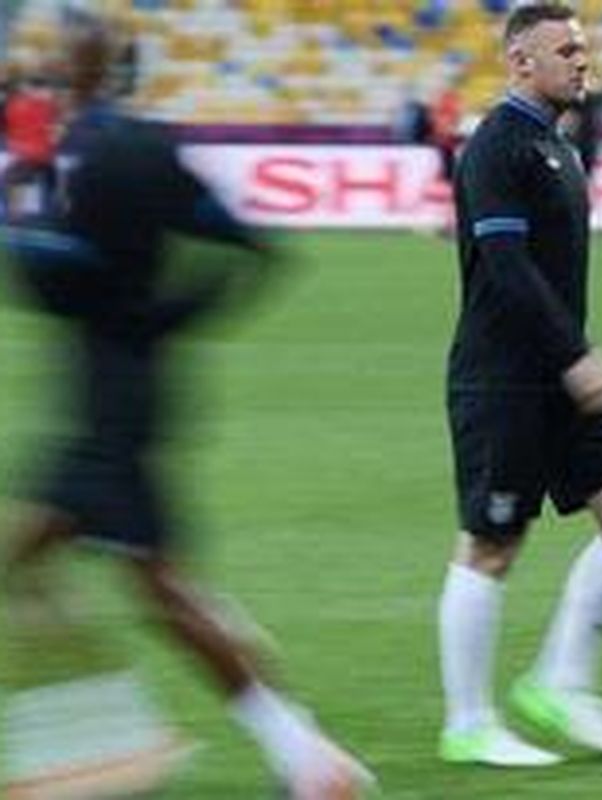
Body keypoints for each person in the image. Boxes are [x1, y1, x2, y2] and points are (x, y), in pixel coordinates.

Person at [0, 19, 373, 799]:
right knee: (95, 573)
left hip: (115, 407)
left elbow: (61, 274)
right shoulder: (133, 147)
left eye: (67, 57)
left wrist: (30, 244)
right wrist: (169, 315)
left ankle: (293, 757)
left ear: (84, 69)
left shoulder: (97, 155)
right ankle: (291, 749)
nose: (55, 66)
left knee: (153, 585)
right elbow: (247, 246)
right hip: (119, 392)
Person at [439, 0, 602, 768]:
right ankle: (468, 724)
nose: (581, 58)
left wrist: (571, 359)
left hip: (563, 376)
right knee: (492, 544)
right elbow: (505, 269)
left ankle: (561, 684)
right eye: (564, 48)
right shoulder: (496, 147)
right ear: (520, 61)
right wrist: (575, 353)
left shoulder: (558, 146)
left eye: (582, 47)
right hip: (505, 378)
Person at [2, 69, 60, 221]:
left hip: (22, 158)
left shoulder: (14, 104)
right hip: (40, 159)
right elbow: (53, 133)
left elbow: (8, 130)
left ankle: (15, 218)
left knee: (15, 197)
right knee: (48, 195)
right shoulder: (48, 105)